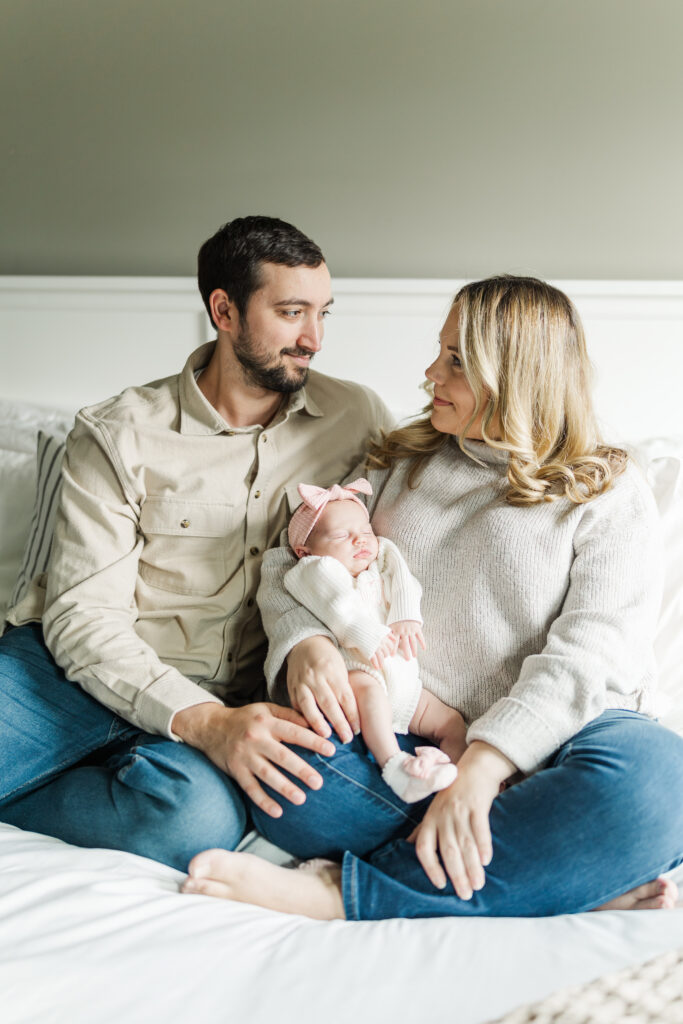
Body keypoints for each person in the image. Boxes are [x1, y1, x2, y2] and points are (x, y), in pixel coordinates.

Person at [182, 274, 683, 919]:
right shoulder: (401, 460)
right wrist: (303, 641)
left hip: (553, 745)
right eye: (438, 350)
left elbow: (594, 652)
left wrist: (482, 767)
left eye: (455, 360)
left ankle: (342, 893)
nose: (429, 372)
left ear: (515, 374)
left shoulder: (605, 489)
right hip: (400, 740)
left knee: (657, 784)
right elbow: (293, 559)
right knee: (293, 780)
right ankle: (555, 874)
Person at [0, 215, 393, 870]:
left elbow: (410, 541)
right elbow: (83, 619)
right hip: (67, 673)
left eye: (323, 313)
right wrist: (201, 722)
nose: (313, 339)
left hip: (229, 695)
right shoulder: (117, 432)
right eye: (291, 312)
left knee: (192, 823)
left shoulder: (356, 420)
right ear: (224, 310)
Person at [285, 476, 459, 802]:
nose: (359, 541)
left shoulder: (380, 559)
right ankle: (396, 766)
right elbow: (338, 606)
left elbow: (403, 579)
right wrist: (367, 634)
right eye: (341, 536)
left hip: (405, 683)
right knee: (369, 693)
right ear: (303, 550)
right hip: (356, 668)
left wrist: (406, 615)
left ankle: (458, 779)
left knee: (452, 722)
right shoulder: (314, 569)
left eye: (365, 532)